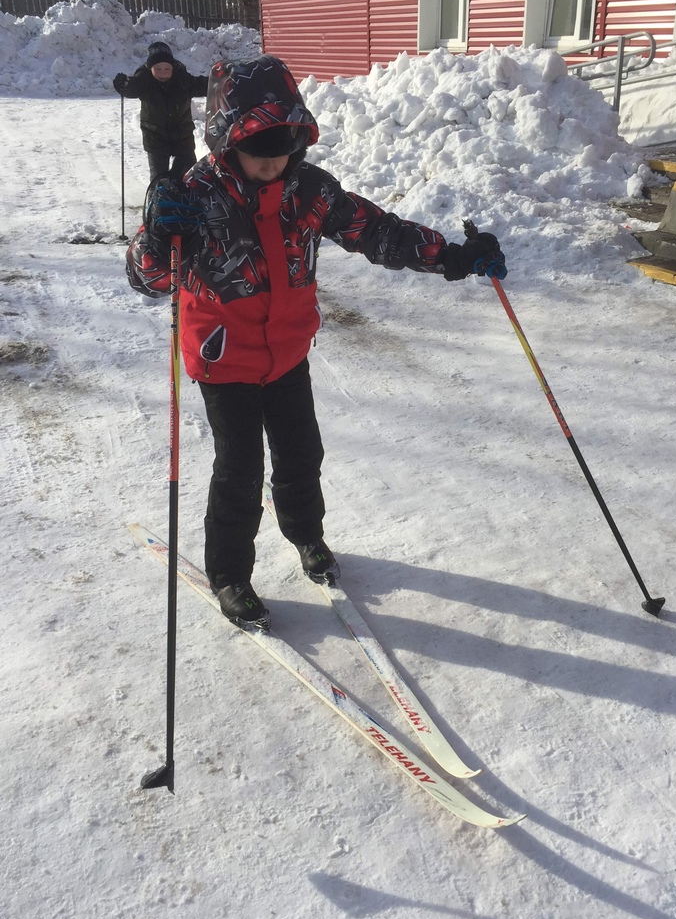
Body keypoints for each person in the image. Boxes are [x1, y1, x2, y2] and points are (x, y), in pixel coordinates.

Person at [126, 54, 506, 629]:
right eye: (259, 147)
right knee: (241, 468)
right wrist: (156, 234)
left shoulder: (309, 188)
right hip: (224, 359)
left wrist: (451, 256)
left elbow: (376, 232)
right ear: (226, 141)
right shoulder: (194, 195)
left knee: (302, 453)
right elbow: (150, 280)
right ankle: (230, 573)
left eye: (285, 144)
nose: (273, 160)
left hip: (288, 353)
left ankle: (305, 534)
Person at [113, 41, 209, 181]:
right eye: (158, 69)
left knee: (188, 175)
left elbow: (202, 84)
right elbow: (133, 88)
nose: (163, 73)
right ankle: (158, 199)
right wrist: (124, 85)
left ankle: (181, 197)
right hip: (155, 138)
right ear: (150, 68)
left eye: (167, 69)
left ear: (173, 67)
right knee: (159, 179)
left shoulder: (182, 79)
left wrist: (220, 79)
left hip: (183, 136)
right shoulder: (144, 80)